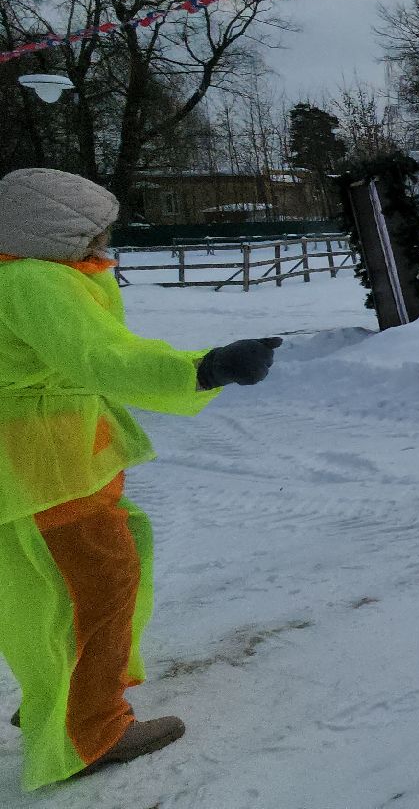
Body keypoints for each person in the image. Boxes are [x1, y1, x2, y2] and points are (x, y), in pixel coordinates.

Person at [0, 169, 280, 789]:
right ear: (52, 232)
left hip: (47, 462)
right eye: (93, 235)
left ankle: (59, 700)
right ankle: (92, 729)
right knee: (95, 591)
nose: (103, 249)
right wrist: (204, 369)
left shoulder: (13, 276)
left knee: (57, 588)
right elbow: (103, 358)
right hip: (51, 467)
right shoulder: (37, 280)